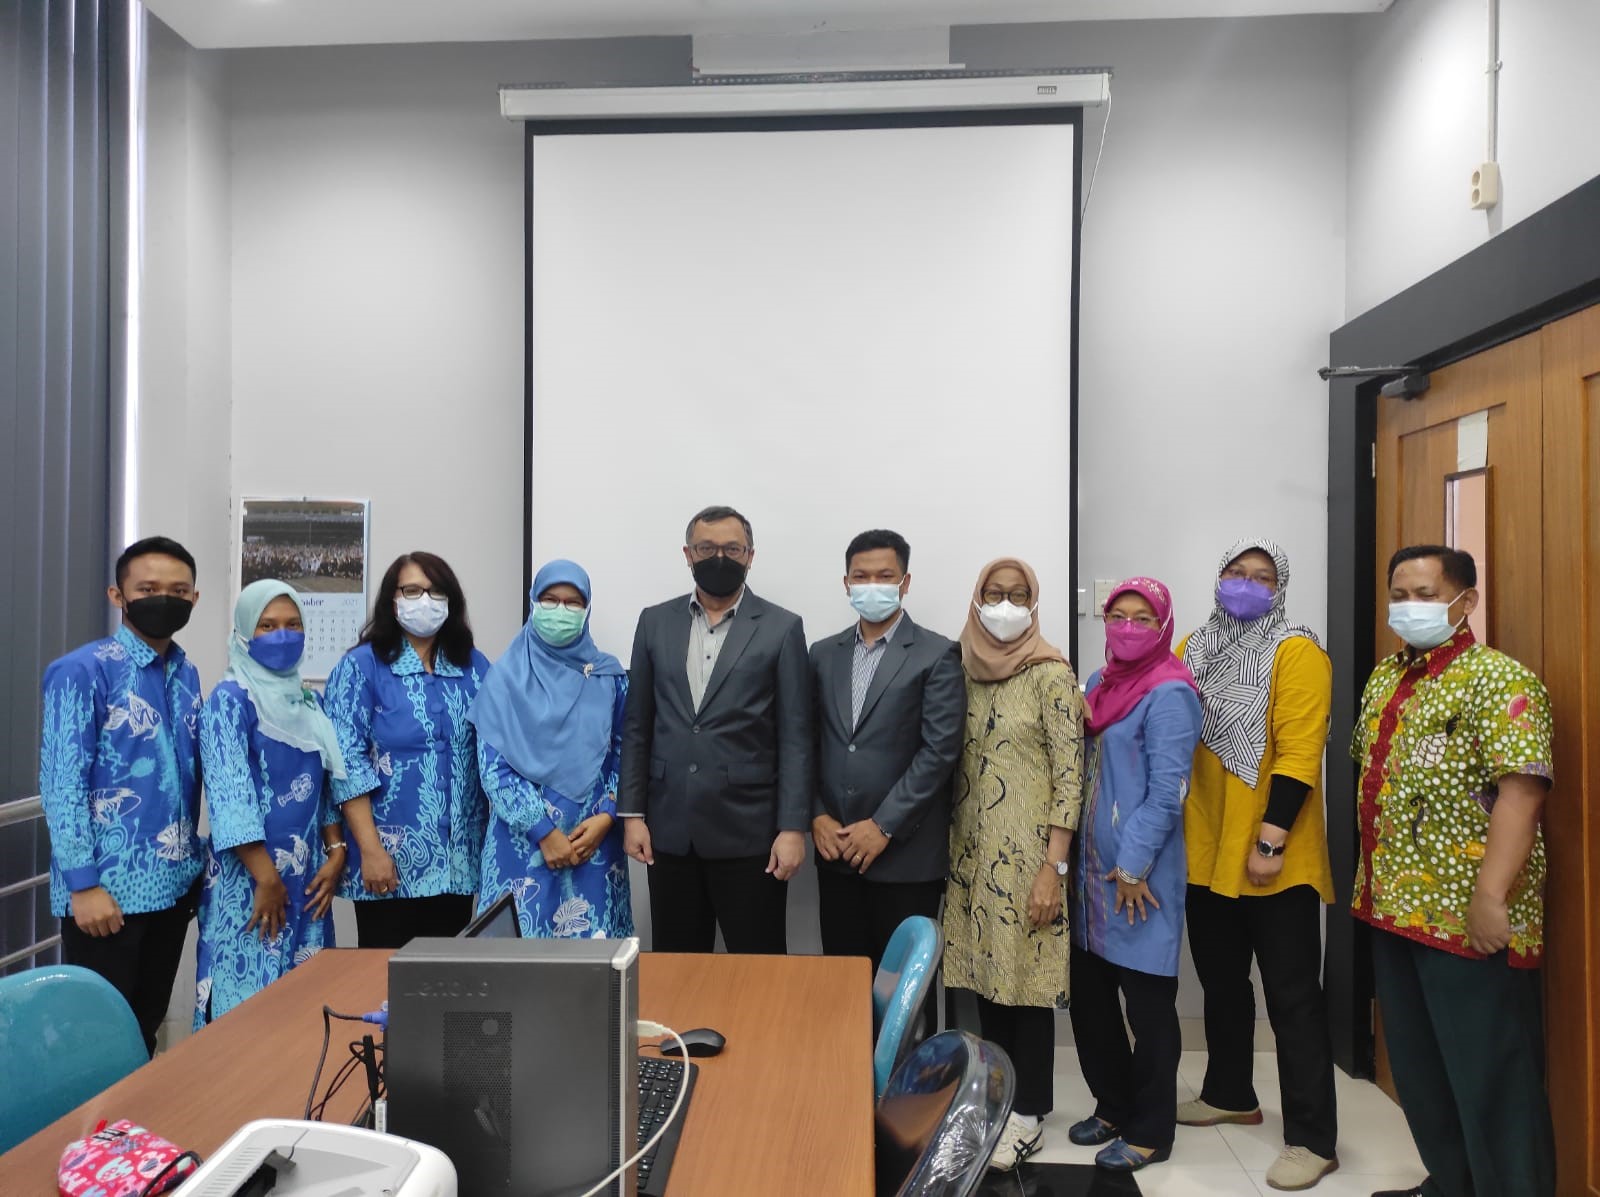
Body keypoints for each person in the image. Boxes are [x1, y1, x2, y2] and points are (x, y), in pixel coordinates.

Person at [1354, 546, 1555, 1197]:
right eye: (1399, 594)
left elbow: (1522, 791)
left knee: (1492, 1076)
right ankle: (1450, 1184)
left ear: (1465, 601)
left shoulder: (1499, 679)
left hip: (1471, 914)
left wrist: (1491, 895)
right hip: (1394, 906)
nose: (1408, 606)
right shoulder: (1385, 678)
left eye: (1425, 593)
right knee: (1422, 1070)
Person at [1177, 538, 1339, 1191]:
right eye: (1235, 572)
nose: (1246, 584)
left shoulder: (1296, 650)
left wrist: (1270, 841)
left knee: (1292, 998)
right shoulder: (1195, 646)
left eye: (1262, 576)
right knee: (1221, 982)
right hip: (1206, 849)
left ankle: (1313, 1138)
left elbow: (1300, 750)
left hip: (1274, 852)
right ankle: (1229, 1093)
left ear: (1280, 587)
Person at [39, 536, 206, 1055]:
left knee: (143, 1030)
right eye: (148, 589)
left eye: (178, 590)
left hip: (173, 886)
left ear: (194, 598)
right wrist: (83, 885)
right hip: (107, 894)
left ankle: (138, 1114)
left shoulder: (187, 673)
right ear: (118, 595)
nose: (164, 599)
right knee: (94, 1043)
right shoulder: (82, 670)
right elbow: (61, 780)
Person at [943, 558, 1084, 1171]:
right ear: (977, 600)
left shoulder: (1051, 674)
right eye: (995, 594)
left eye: (1019, 595)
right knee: (986, 982)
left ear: (1034, 603)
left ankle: (1028, 1114)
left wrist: (1054, 868)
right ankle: (995, 1100)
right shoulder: (961, 668)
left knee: (1026, 987)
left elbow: (1071, 776)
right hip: (972, 857)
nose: (1006, 606)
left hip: (1030, 859)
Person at [619, 505, 811, 954]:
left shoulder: (782, 628)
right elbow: (638, 725)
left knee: (758, 967)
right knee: (679, 967)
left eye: (732, 549)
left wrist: (792, 828)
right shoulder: (654, 622)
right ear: (688, 554)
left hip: (751, 835)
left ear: (750, 556)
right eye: (707, 548)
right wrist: (633, 815)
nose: (719, 557)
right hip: (670, 831)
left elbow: (796, 738)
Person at [1067, 577, 1202, 1174]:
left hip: (1138, 879)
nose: (1127, 627)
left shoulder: (1170, 692)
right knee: (1091, 1002)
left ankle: (1150, 1130)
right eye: (1117, 616)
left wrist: (1131, 865)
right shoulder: (1100, 682)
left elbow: (1168, 792)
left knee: (1147, 1010)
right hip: (1089, 877)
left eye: (1142, 618)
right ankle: (1113, 1105)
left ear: (1163, 626)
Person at [810, 529, 964, 977]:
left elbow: (939, 752)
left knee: (901, 995)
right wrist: (816, 815)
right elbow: (806, 742)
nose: (872, 585)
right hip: (837, 852)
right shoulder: (823, 654)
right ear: (846, 584)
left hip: (905, 859)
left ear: (905, 582)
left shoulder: (936, 654)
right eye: (861, 577)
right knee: (843, 988)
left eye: (884, 576)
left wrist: (883, 826)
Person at [193, 581, 348, 1026]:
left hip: (307, 879)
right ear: (244, 632)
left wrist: (336, 852)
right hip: (251, 881)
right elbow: (230, 798)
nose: (283, 635)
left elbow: (326, 787)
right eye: (267, 625)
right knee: (245, 1008)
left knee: (306, 1009)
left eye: (293, 624)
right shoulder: (229, 701)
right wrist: (267, 878)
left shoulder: (309, 702)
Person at [324, 553, 490, 947]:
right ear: (392, 599)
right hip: (389, 862)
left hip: (458, 865)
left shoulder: (473, 666)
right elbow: (345, 763)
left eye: (435, 591)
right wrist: (371, 850)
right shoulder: (361, 667)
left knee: (447, 977)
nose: (425, 601)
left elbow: (494, 753)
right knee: (385, 975)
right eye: (412, 590)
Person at [470, 561, 633, 938]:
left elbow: (627, 752)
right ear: (533, 603)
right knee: (517, 958)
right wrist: (544, 831)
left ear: (587, 609)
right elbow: (494, 769)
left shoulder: (609, 677)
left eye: (573, 602)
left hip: (593, 846)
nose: (561, 610)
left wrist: (608, 815)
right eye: (550, 599)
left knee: (594, 963)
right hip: (521, 846)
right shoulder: (503, 679)